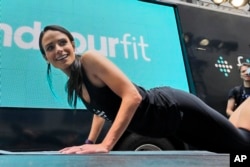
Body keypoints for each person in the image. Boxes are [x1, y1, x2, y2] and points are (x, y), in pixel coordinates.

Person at [38, 25, 250, 154]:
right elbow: (99, 112)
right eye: (50, 47)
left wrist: (106, 145)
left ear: (73, 45)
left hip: (174, 108)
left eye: (62, 42)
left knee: (241, 147)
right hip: (171, 126)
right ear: (45, 57)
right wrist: (89, 143)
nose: (58, 50)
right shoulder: (74, 83)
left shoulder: (90, 60)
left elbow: (131, 96)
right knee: (230, 149)